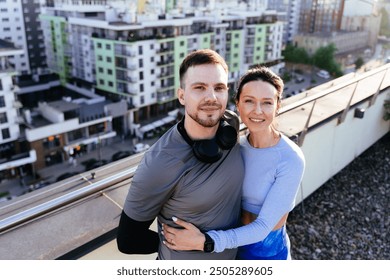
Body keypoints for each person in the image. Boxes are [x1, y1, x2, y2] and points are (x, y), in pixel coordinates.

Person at [162, 66, 306, 260]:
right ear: (237, 104)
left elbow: (263, 227)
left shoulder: (290, 158)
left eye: (267, 103)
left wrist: (204, 241)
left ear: (277, 105)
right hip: (231, 245)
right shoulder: (236, 147)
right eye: (249, 101)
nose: (257, 111)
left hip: (265, 252)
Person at [116, 49, 244, 260]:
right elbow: (128, 240)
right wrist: (175, 244)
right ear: (182, 96)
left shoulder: (231, 126)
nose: (211, 97)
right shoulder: (160, 163)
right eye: (199, 88)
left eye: (219, 88)